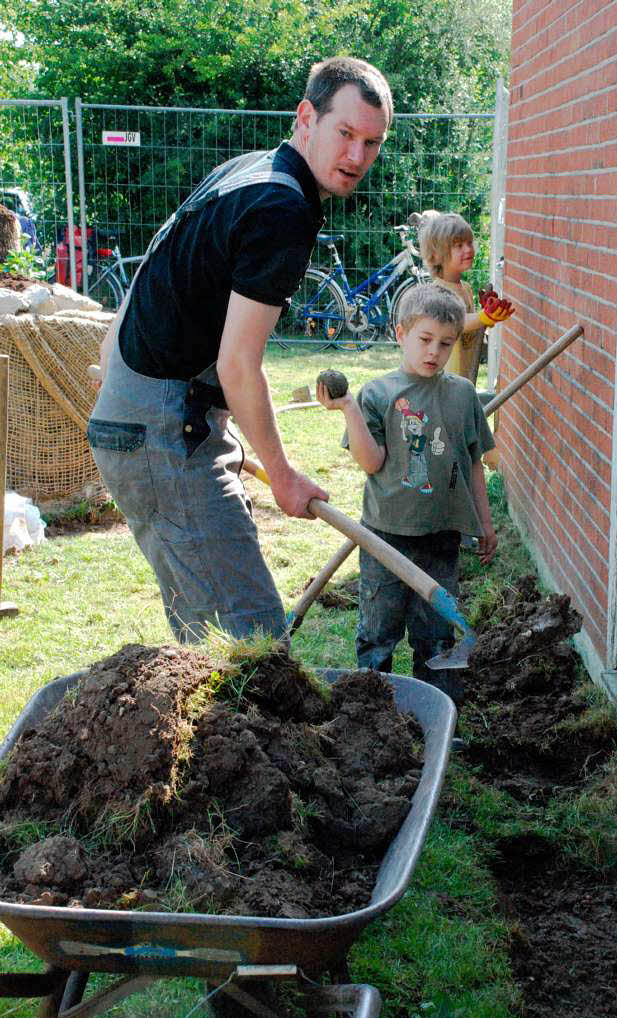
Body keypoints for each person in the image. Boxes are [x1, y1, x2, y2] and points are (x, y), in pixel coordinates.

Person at [87, 57, 393, 644]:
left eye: (371, 143)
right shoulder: (282, 210)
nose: (357, 157)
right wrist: (283, 476)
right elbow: (237, 363)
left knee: (221, 631)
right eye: (346, 134)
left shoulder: (251, 171)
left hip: (161, 421)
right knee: (246, 639)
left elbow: (156, 270)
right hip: (161, 433)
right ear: (307, 117)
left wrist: (124, 385)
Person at [317, 282, 497, 706]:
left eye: (446, 343)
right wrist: (349, 408)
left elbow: (473, 462)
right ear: (400, 334)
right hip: (384, 537)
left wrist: (484, 525)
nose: (435, 351)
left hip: (442, 536)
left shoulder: (461, 393)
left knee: (436, 635)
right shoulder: (377, 394)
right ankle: (369, 712)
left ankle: (437, 712)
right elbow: (371, 461)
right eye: (425, 339)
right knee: (379, 631)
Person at [417, 210, 515, 382]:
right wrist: (483, 317)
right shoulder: (438, 293)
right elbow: (454, 324)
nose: (468, 249)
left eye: (470, 243)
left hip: (464, 375)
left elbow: (471, 328)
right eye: (458, 245)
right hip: (444, 381)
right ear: (437, 254)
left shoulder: (465, 288)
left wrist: (486, 318)